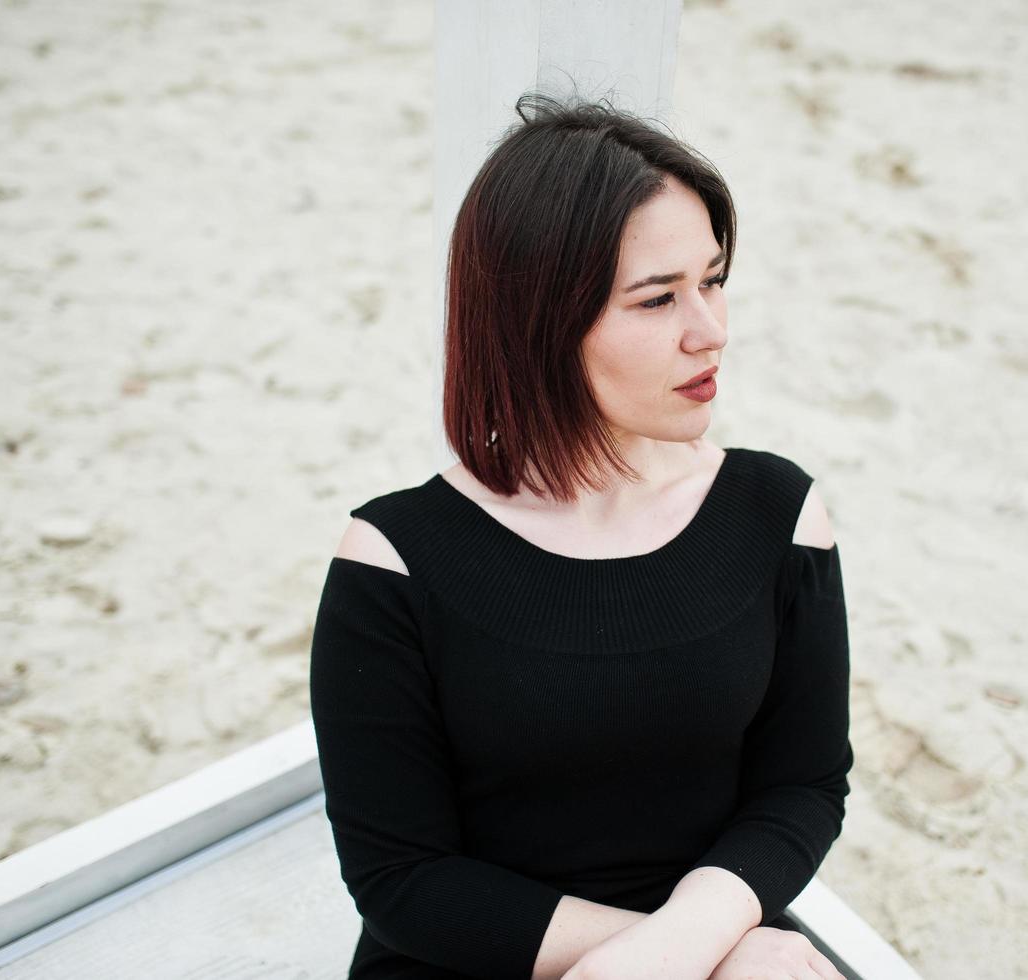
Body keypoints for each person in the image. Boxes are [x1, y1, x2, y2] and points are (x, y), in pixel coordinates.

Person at [309, 92, 854, 980]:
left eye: (712, 280)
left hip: (717, 942)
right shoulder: (394, 559)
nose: (709, 331)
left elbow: (801, 788)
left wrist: (685, 946)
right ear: (542, 326)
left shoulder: (777, 512)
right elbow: (403, 880)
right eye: (656, 300)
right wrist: (645, 959)